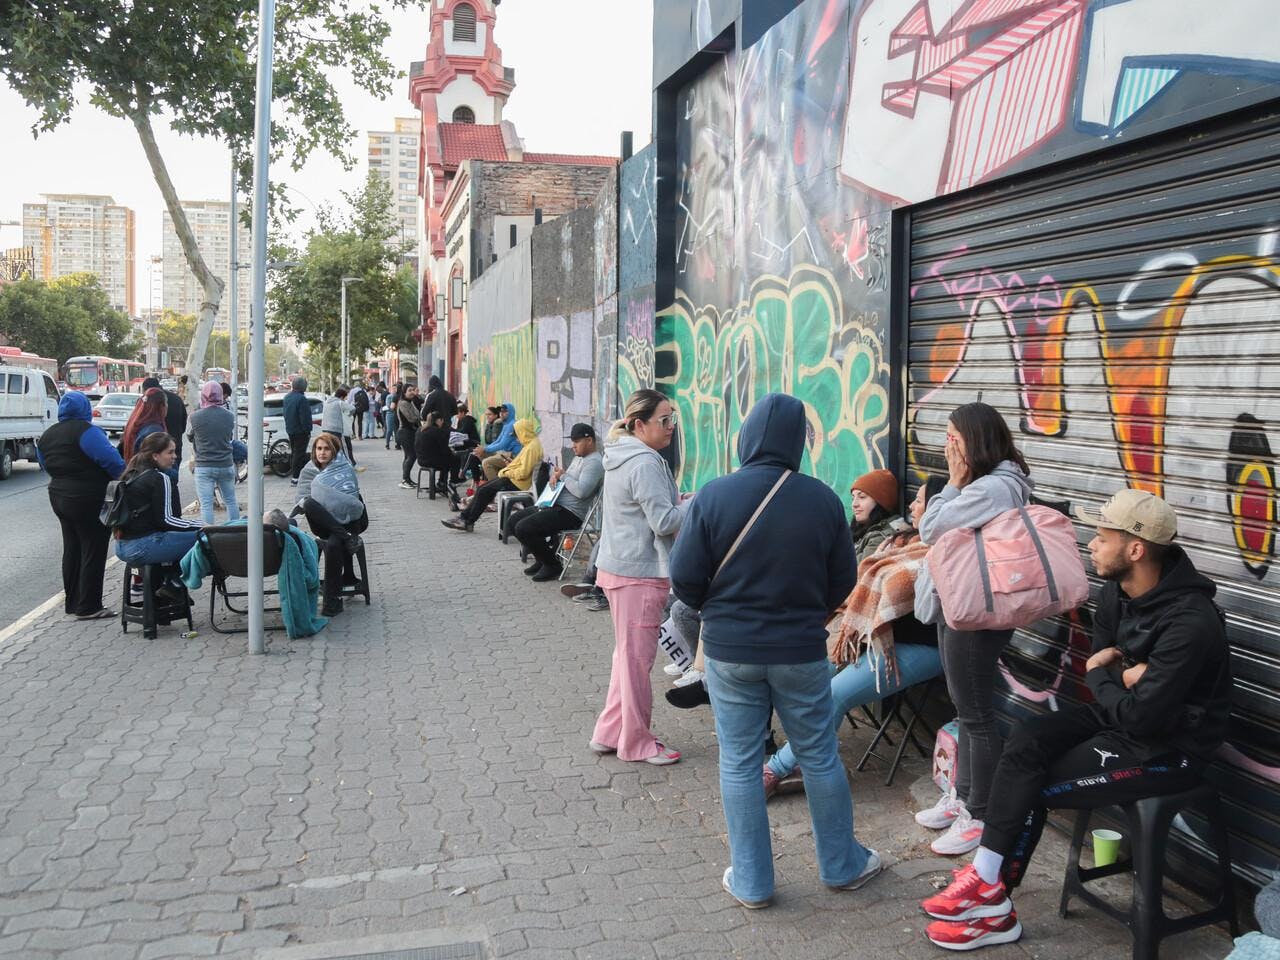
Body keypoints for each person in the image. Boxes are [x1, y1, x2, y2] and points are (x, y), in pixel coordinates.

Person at [919, 490, 1232, 951]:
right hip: (1120, 717)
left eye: (1103, 538)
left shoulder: (1191, 622)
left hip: (1171, 749)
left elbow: (1135, 708)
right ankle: (988, 883)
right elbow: (1108, 673)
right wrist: (1122, 674)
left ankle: (995, 909)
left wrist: (1104, 672)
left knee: (1033, 785)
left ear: (1136, 549)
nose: (1092, 545)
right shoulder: (1116, 594)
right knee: (1026, 741)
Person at [668, 393, 880, 907]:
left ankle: (753, 882)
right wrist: (808, 612)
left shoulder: (714, 495)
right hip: (801, 652)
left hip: (729, 651)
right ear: (798, 442)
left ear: (746, 436)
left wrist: (717, 612)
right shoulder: (824, 499)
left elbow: (683, 579)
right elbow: (842, 583)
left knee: (739, 762)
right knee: (820, 756)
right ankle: (842, 866)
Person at [763, 476, 948, 796]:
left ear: (939, 508)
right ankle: (810, 759)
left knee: (833, 693)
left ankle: (775, 768)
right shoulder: (909, 541)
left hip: (924, 646)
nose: (912, 505)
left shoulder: (944, 549)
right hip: (878, 638)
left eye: (919, 500)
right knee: (811, 673)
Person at [913, 401, 1033, 857]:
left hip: (976, 609)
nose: (947, 447)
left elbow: (931, 527)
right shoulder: (991, 484)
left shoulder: (993, 488)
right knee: (966, 708)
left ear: (975, 442)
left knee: (977, 714)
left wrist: (954, 484)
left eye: (953, 438)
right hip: (961, 602)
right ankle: (962, 798)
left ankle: (980, 815)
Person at [587, 389, 687, 765]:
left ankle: (610, 732)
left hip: (619, 569)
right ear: (639, 424)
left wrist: (679, 502)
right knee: (635, 664)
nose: (670, 428)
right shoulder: (644, 462)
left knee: (625, 659)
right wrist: (694, 505)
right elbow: (663, 521)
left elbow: (651, 510)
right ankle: (638, 743)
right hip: (638, 574)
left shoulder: (623, 455)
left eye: (671, 419)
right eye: (664, 420)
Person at [37, 391, 126, 620]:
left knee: (72, 548)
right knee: (93, 548)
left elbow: (45, 463)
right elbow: (112, 462)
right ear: (85, 409)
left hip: (58, 495)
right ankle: (89, 606)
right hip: (87, 498)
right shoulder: (87, 432)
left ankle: (73, 602)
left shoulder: (48, 435)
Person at [514, 422, 604, 581]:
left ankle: (551, 565)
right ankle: (543, 558)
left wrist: (562, 476)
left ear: (589, 441)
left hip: (570, 513)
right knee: (514, 520)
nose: (573, 446)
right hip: (556, 505)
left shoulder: (594, 462)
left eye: (576, 441)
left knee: (524, 528)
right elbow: (567, 479)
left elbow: (582, 492)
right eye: (572, 441)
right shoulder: (580, 458)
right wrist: (555, 477)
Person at [295, 433, 368, 617]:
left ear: (334, 451)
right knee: (310, 502)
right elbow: (301, 501)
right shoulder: (309, 471)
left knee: (334, 545)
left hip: (351, 520)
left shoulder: (345, 469)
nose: (322, 453)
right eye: (319, 448)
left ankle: (332, 601)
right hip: (322, 524)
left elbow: (351, 498)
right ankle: (346, 538)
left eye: (327, 449)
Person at [113, 432, 204, 578]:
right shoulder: (159, 478)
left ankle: (164, 580)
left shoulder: (132, 473)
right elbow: (167, 520)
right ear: (155, 456)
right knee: (204, 538)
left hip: (121, 546)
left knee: (179, 538)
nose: (175, 456)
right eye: (170, 452)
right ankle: (176, 582)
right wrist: (202, 525)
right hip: (142, 546)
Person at [441, 418, 542, 532]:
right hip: (514, 479)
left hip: (517, 482)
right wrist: (511, 464)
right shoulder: (531, 445)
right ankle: (465, 519)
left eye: (517, 435)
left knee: (484, 491)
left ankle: (465, 520)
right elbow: (521, 466)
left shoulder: (531, 448)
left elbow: (523, 473)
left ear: (523, 432)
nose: (517, 438)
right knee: (483, 489)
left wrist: (506, 472)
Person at [188, 380, 241, 526]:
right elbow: (229, 437)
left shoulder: (195, 417)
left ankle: (208, 536)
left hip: (204, 466)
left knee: (206, 505)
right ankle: (236, 530)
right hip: (226, 464)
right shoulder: (229, 416)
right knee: (230, 500)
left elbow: (191, 436)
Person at [850, 468, 902, 561]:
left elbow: (850, 571)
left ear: (880, 502)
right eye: (853, 498)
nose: (854, 504)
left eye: (862, 497)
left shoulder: (881, 537)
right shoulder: (863, 528)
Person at [143, 376, 187, 461]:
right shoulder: (176, 399)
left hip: (154, 452)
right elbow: (183, 426)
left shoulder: (146, 401)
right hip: (174, 446)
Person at [121, 387, 169, 461]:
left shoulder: (136, 424)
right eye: (166, 403)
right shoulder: (154, 431)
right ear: (161, 406)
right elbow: (157, 463)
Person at [413, 411, 455, 496]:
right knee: (453, 460)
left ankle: (441, 482)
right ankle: (449, 483)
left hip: (421, 460)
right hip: (432, 461)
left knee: (447, 459)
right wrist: (452, 452)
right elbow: (445, 449)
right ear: (438, 420)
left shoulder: (420, 429)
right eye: (441, 420)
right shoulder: (437, 431)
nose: (442, 422)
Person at [476, 402, 522, 480]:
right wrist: (484, 448)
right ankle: (492, 479)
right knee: (481, 454)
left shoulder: (512, 424)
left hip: (513, 456)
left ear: (511, 412)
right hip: (505, 453)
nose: (502, 413)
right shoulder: (506, 424)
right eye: (501, 411)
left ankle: (496, 486)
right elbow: (497, 441)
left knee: (486, 463)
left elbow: (502, 444)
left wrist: (485, 449)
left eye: (505, 411)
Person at [283, 376, 313, 484]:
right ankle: (296, 477)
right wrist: (308, 430)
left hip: (291, 430)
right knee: (299, 454)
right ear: (302, 386)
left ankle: (296, 476)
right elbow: (304, 417)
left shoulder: (287, 397)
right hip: (301, 431)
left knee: (295, 453)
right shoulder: (301, 399)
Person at [396, 385, 423, 489]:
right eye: (409, 390)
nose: (412, 392)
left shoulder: (409, 402)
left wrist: (418, 417)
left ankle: (407, 479)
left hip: (410, 432)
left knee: (408, 456)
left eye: (413, 390)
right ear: (404, 392)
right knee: (412, 456)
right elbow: (412, 418)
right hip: (405, 432)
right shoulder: (403, 403)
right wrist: (418, 418)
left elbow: (418, 415)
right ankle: (404, 480)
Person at [322, 386, 356, 464]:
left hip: (325, 428)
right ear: (341, 397)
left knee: (329, 447)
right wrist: (349, 414)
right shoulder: (339, 402)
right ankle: (348, 464)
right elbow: (352, 409)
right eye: (344, 398)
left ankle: (330, 464)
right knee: (340, 448)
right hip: (335, 429)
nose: (344, 400)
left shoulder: (327, 402)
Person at [385, 382, 402, 449]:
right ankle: (387, 443)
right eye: (393, 388)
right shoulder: (389, 396)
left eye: (395, 388)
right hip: (390, 414)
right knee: (389, 430)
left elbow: (391, 407)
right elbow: (388, 406)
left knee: (397, 430)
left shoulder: (399, 396)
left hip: (396, 414)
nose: (394, 390)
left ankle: (398, 444)